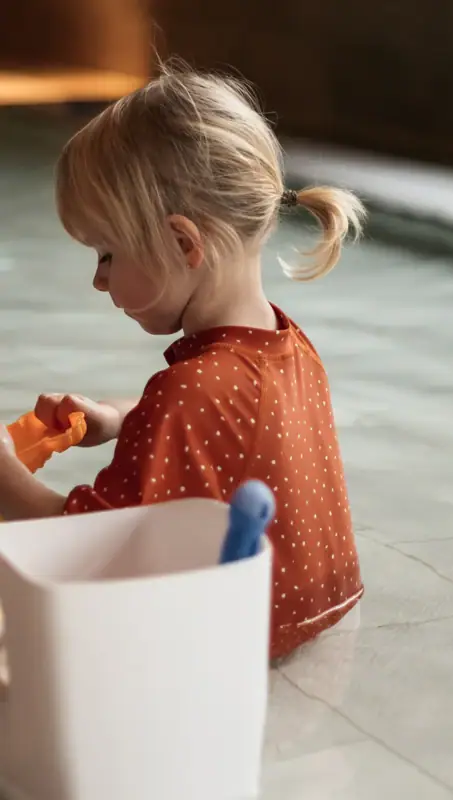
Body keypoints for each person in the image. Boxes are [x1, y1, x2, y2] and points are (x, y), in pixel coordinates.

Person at [0, 64, 365, 659]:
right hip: (320, 612)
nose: (99, 281)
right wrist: (119, 418)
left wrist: (4, 478)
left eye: (106, 254)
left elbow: (89, 547)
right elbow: (224, 423)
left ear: (182, 243)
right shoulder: (286, 345)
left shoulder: (192, 393)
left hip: (242, 645)